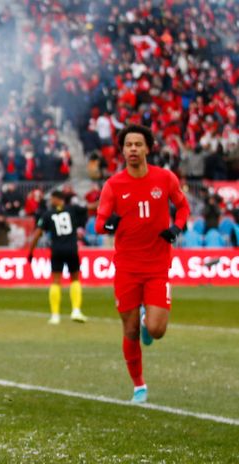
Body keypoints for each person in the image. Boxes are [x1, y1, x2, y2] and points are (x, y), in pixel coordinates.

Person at [95, 124, 190, 403]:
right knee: (130, 329)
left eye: (138, 144)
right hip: (126, 267)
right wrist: (109, 224)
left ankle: (151, 323)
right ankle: (139, 386)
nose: (133, 149)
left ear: (148, 148)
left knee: (157, 330)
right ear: (123, 150)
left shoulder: (165, 179)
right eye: (128, 145)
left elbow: (183, 207)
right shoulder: (113, 185)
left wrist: (177, 227)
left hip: (158, 266)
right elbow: (100, 222)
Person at [26, 190, 88, 324]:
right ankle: (76, 310)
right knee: (75, 278)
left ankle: (55, 315)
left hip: (57, 250)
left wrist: (30, 252)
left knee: (55, 280)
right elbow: (89, 208)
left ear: (57, 199)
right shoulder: (72, 210)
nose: (50, 201)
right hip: (72, 249)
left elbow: (37, 234)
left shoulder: (48, 214)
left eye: (52, 199)